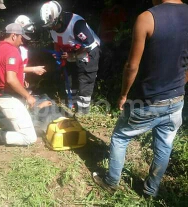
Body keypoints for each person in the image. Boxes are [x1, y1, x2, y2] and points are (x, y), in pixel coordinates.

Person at [93, 0, 188, 198]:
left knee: (120, 136)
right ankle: (150, 192)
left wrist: (123, 94)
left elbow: (131, 66)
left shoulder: (148, 18)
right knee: (164, 146)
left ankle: (111, 182)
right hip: (176, 99)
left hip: (147, 100)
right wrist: (180, 85)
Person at [0, 23, 37, 146]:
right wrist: (28, 96)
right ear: (13, 36)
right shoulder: (12, 51)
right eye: (21, 38)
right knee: (30, 138)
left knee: (22, 123)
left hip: (1, 96)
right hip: (10, 99)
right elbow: (11, 79)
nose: (22, 42)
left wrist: (20, 82)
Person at [40, 1, 101, 114]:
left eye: (54, 25)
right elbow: (56, 41)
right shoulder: (52, 26)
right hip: (70, 52)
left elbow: (88, 44)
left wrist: (73, 55)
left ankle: (83, 112)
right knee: (71, 79)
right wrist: (57, 53)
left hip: (87, 52)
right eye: (50, 26)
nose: (52, 28)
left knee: (84, 81)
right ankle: (71, 105)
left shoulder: (77, 24)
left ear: (60, 18)